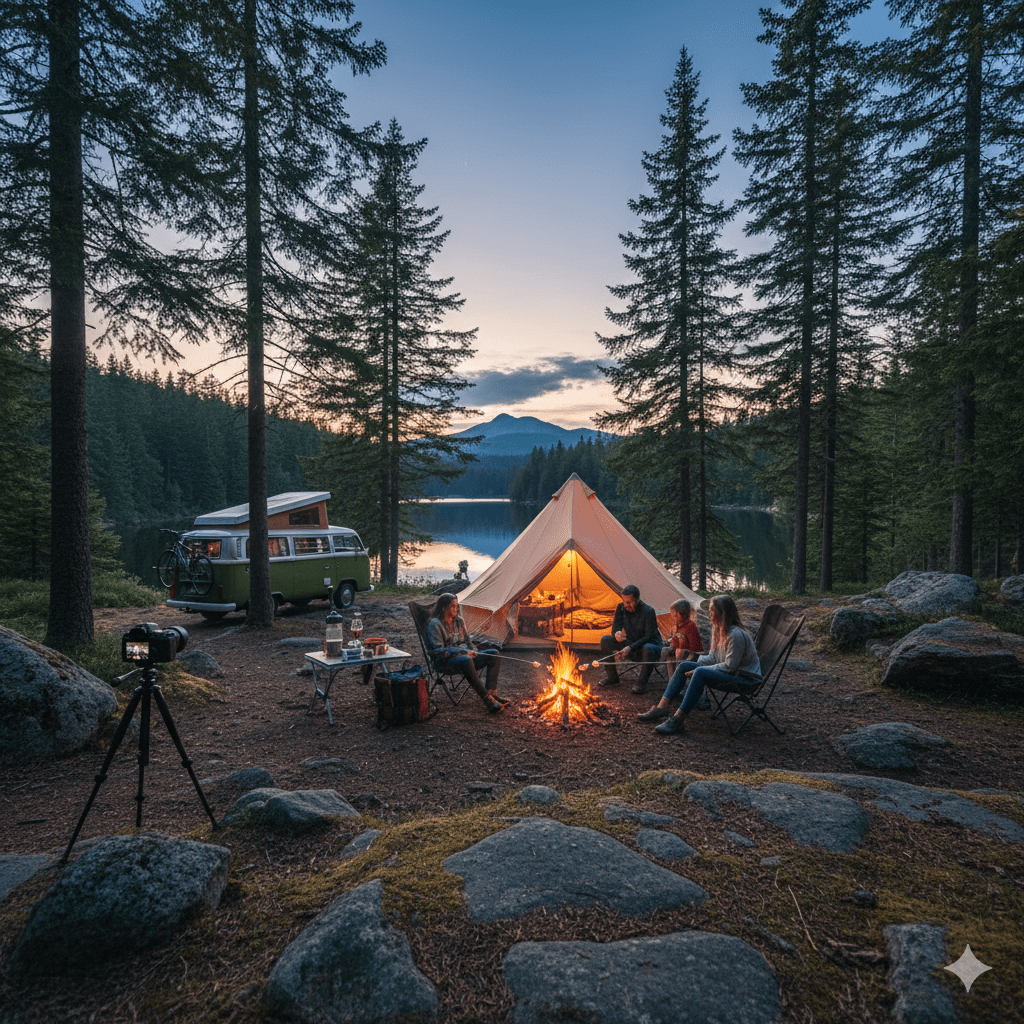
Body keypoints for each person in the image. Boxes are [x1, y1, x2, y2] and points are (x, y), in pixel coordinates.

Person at [637, 594, 760, 734]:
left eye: (712, 610)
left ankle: (677, 721)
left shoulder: (735, 635)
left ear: (722, 613)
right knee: (684, 665)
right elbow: (714, 656)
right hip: (732, 673)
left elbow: (729, 666)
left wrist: (700, 669)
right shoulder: (720, 630)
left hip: (745, 679)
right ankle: (662, 708)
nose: (709, 613)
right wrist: (694, 662)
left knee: (700, 672)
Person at [426, 593, 509, 713]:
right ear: (444, 608)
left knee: (494, 653)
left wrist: (473, 650)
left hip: (466, 657)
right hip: (446, 662)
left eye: (457, 606)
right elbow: (437, 651)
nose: (457, 609)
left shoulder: (458, 621)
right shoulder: (435, 624)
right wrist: (463, 653)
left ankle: (492, 693)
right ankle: (487, 700)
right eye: (453, 606)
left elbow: (468, 642)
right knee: (466, 659)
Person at [598, 584, 662, 694]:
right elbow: (615, 628)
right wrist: (617, 634)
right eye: (624, 601)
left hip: (649, 646)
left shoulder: (648, 611)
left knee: (648, 647)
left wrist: (629, 647)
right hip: (631, 643)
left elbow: (648, 637)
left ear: (638, 599)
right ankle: (612, 677)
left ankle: (641, 683)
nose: (626, 605)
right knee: (605, 640)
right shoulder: (621, 607)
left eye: (629, 602)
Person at [663, 598, 704, 673]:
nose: (672, 615)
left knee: (679, 651)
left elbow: (694, 649)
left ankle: (680, 676)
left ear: (678, 614)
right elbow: (672, 643)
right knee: (669, 656)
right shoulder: (675, 627)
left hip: (691, 656)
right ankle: (672, 680)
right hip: (677, 656)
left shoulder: (690, 626)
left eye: (673, 613)